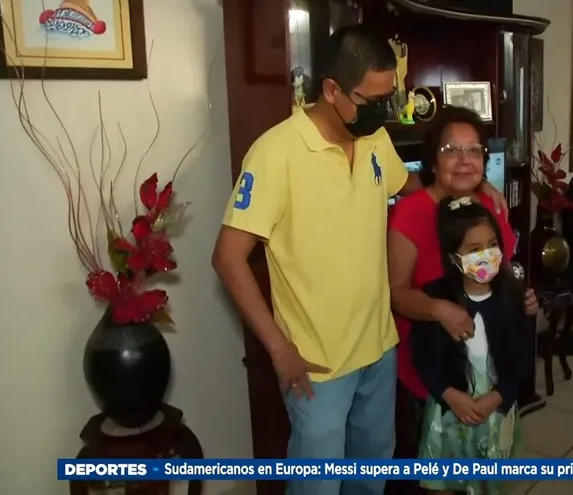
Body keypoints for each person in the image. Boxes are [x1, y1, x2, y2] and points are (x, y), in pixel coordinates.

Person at [211, 26, 506, 495]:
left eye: (389, 97)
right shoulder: (275, 153)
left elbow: (409, 188)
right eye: (373, 99)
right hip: (316, 364)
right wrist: (277, 348)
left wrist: (471, 187)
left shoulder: (372, 139)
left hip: (378, 346)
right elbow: (228, 258)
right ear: (331, 90)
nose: (384, 110)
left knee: (372, 475)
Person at [386, 106, 537, 467]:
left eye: (474, 151)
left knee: (488, 463)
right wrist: (438, 309)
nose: (464, 160)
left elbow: (503, 275)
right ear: (432, 161)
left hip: (491, 368)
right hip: (434, 368)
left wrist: (523, 298)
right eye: (451, 150)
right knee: (442, 468)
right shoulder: (410, 212)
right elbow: (395, 292)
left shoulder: (491, 205)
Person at [411, 196, 526, 495]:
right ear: (454, 257)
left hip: (496, 409)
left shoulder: (513, 298)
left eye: (491, 244)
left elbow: (523, 358)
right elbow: (423, 357)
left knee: (491, 482)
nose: (486, 255)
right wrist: (449, 395)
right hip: (449, 411)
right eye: (474, 250)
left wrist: (498, 397)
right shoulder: (436, 300)